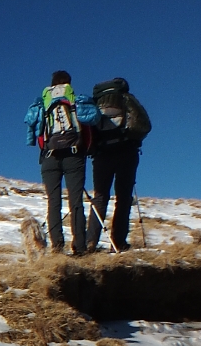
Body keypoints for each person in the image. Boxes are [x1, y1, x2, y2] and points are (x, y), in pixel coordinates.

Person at [25, 70, 100, 255]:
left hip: (49, 157)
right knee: (76, 202)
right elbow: (94, 118)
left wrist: (32, 141)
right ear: (69, 83)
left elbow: (29, 121)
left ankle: (57, 247)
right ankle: (80, 247)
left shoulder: (42, 101)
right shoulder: (76, 98)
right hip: (74, 155)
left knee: (54, 202)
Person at [87, 78, 150, 252]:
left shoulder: (94, 103)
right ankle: (118, 243)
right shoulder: (126, 99)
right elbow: (144, 124)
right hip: (126, 151)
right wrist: (132, 139)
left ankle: (90, 242)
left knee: (100, 197)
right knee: (123, 198)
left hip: (101, 155)